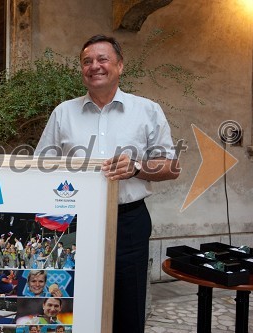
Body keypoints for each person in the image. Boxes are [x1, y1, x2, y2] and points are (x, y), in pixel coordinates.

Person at [34, 34, 180, 333]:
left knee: (128, 306)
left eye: (102, 59)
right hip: (73, 225)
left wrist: (137, 167)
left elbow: (172, 166)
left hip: (128, 222)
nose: (94, 66)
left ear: (120, 66)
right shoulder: (64, 113)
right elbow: (40, 168)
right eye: (87, 61)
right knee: (76, 305)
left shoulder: (147, 110)